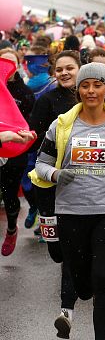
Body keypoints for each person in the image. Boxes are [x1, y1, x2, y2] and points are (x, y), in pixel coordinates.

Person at [32, 63, 105, 340]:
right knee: (84, 286)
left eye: (97, 85)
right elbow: (41, 165)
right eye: (85, 85)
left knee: (104, 282)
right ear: (78, 90)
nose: (91, 91)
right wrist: (56, 174)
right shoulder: (61, 126)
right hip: (71, 214)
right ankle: (83, 289)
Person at [26, 50, 81, 338]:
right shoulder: (46, 100)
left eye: (69, 68)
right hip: (49, 184)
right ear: (53, 72)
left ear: (79, 69)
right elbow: (33, 132)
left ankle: (66, 310)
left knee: (72, 250)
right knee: (56, 249)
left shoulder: (90, 96)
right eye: (59, 69)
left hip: (82, 183)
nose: (64, 73)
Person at [0, 49, 36, 256]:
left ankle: (12, 228)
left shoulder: (25, 92)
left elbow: (31, 120)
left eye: (11, 63)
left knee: (10, 193)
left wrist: (26, 134)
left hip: (16, 150)